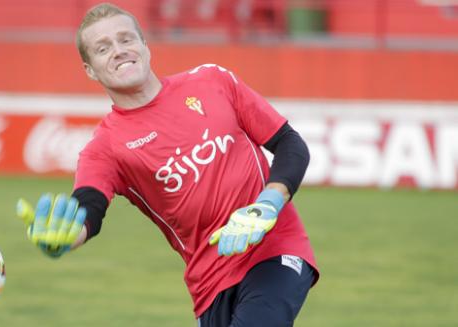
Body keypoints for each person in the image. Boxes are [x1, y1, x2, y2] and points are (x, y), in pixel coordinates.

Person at [16, 3, 319, 326]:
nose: (119, 51)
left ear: (145, 46)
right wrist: (67, 235)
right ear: (90, 69)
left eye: (126, 39)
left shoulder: (212, 81)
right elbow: (89, 206)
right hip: (210, 284)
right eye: (103, 48)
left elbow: (290, 144)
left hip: (274, 249)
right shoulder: (104, 148)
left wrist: (268, 204)